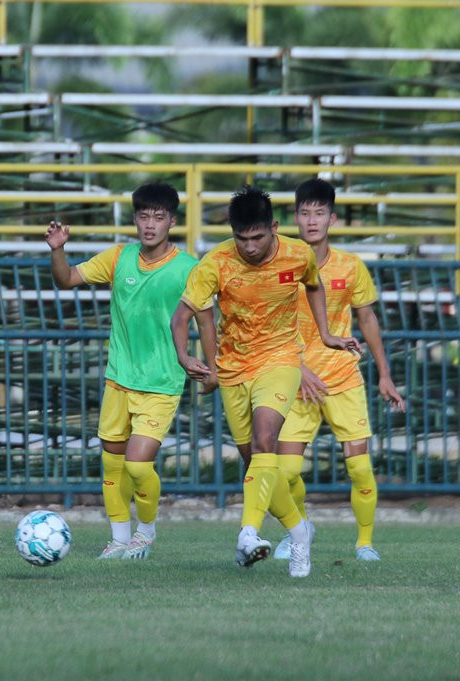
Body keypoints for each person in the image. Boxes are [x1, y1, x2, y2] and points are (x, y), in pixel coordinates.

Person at [170, 185, 361, 578]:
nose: (251, 246)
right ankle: (299, 531)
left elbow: (313, 285)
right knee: (257, 467)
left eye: (258, 237)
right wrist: (185, 356)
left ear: (274, 227)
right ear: (232, 232)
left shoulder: (297, 253)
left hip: (280, 359)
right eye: (242, 238)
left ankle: (247, 533)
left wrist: (324, 334)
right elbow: (181, 317)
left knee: (264, 444)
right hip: (234, 368)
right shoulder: (215, 263)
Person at [47, 182, 214, 560]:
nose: (150, 225)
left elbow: (206, 320)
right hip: (119, 378)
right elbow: (66, 278)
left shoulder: (189, 268)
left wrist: (210, 368)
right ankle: (119, 538)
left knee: (139, 465)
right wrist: (58, 251)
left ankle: (146, 531)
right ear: (135, 220)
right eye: (143, 217)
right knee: (111, 462)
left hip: (162, 382)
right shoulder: (119, 257)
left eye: (158, 217)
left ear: (172, 221)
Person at [272, 178, 405, 562]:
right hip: (296, 380)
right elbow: (271, 324)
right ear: (294, 218)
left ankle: (365, 544)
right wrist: (297, 367)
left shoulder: (351, 266)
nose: (311, 221)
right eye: (304, 213)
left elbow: (367, 318)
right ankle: (300, 531)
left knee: (360, 468)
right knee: (287, 471)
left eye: (319, 213)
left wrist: (384, 374)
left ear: (331, 218)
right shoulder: (281, 264)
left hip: (343, 378)